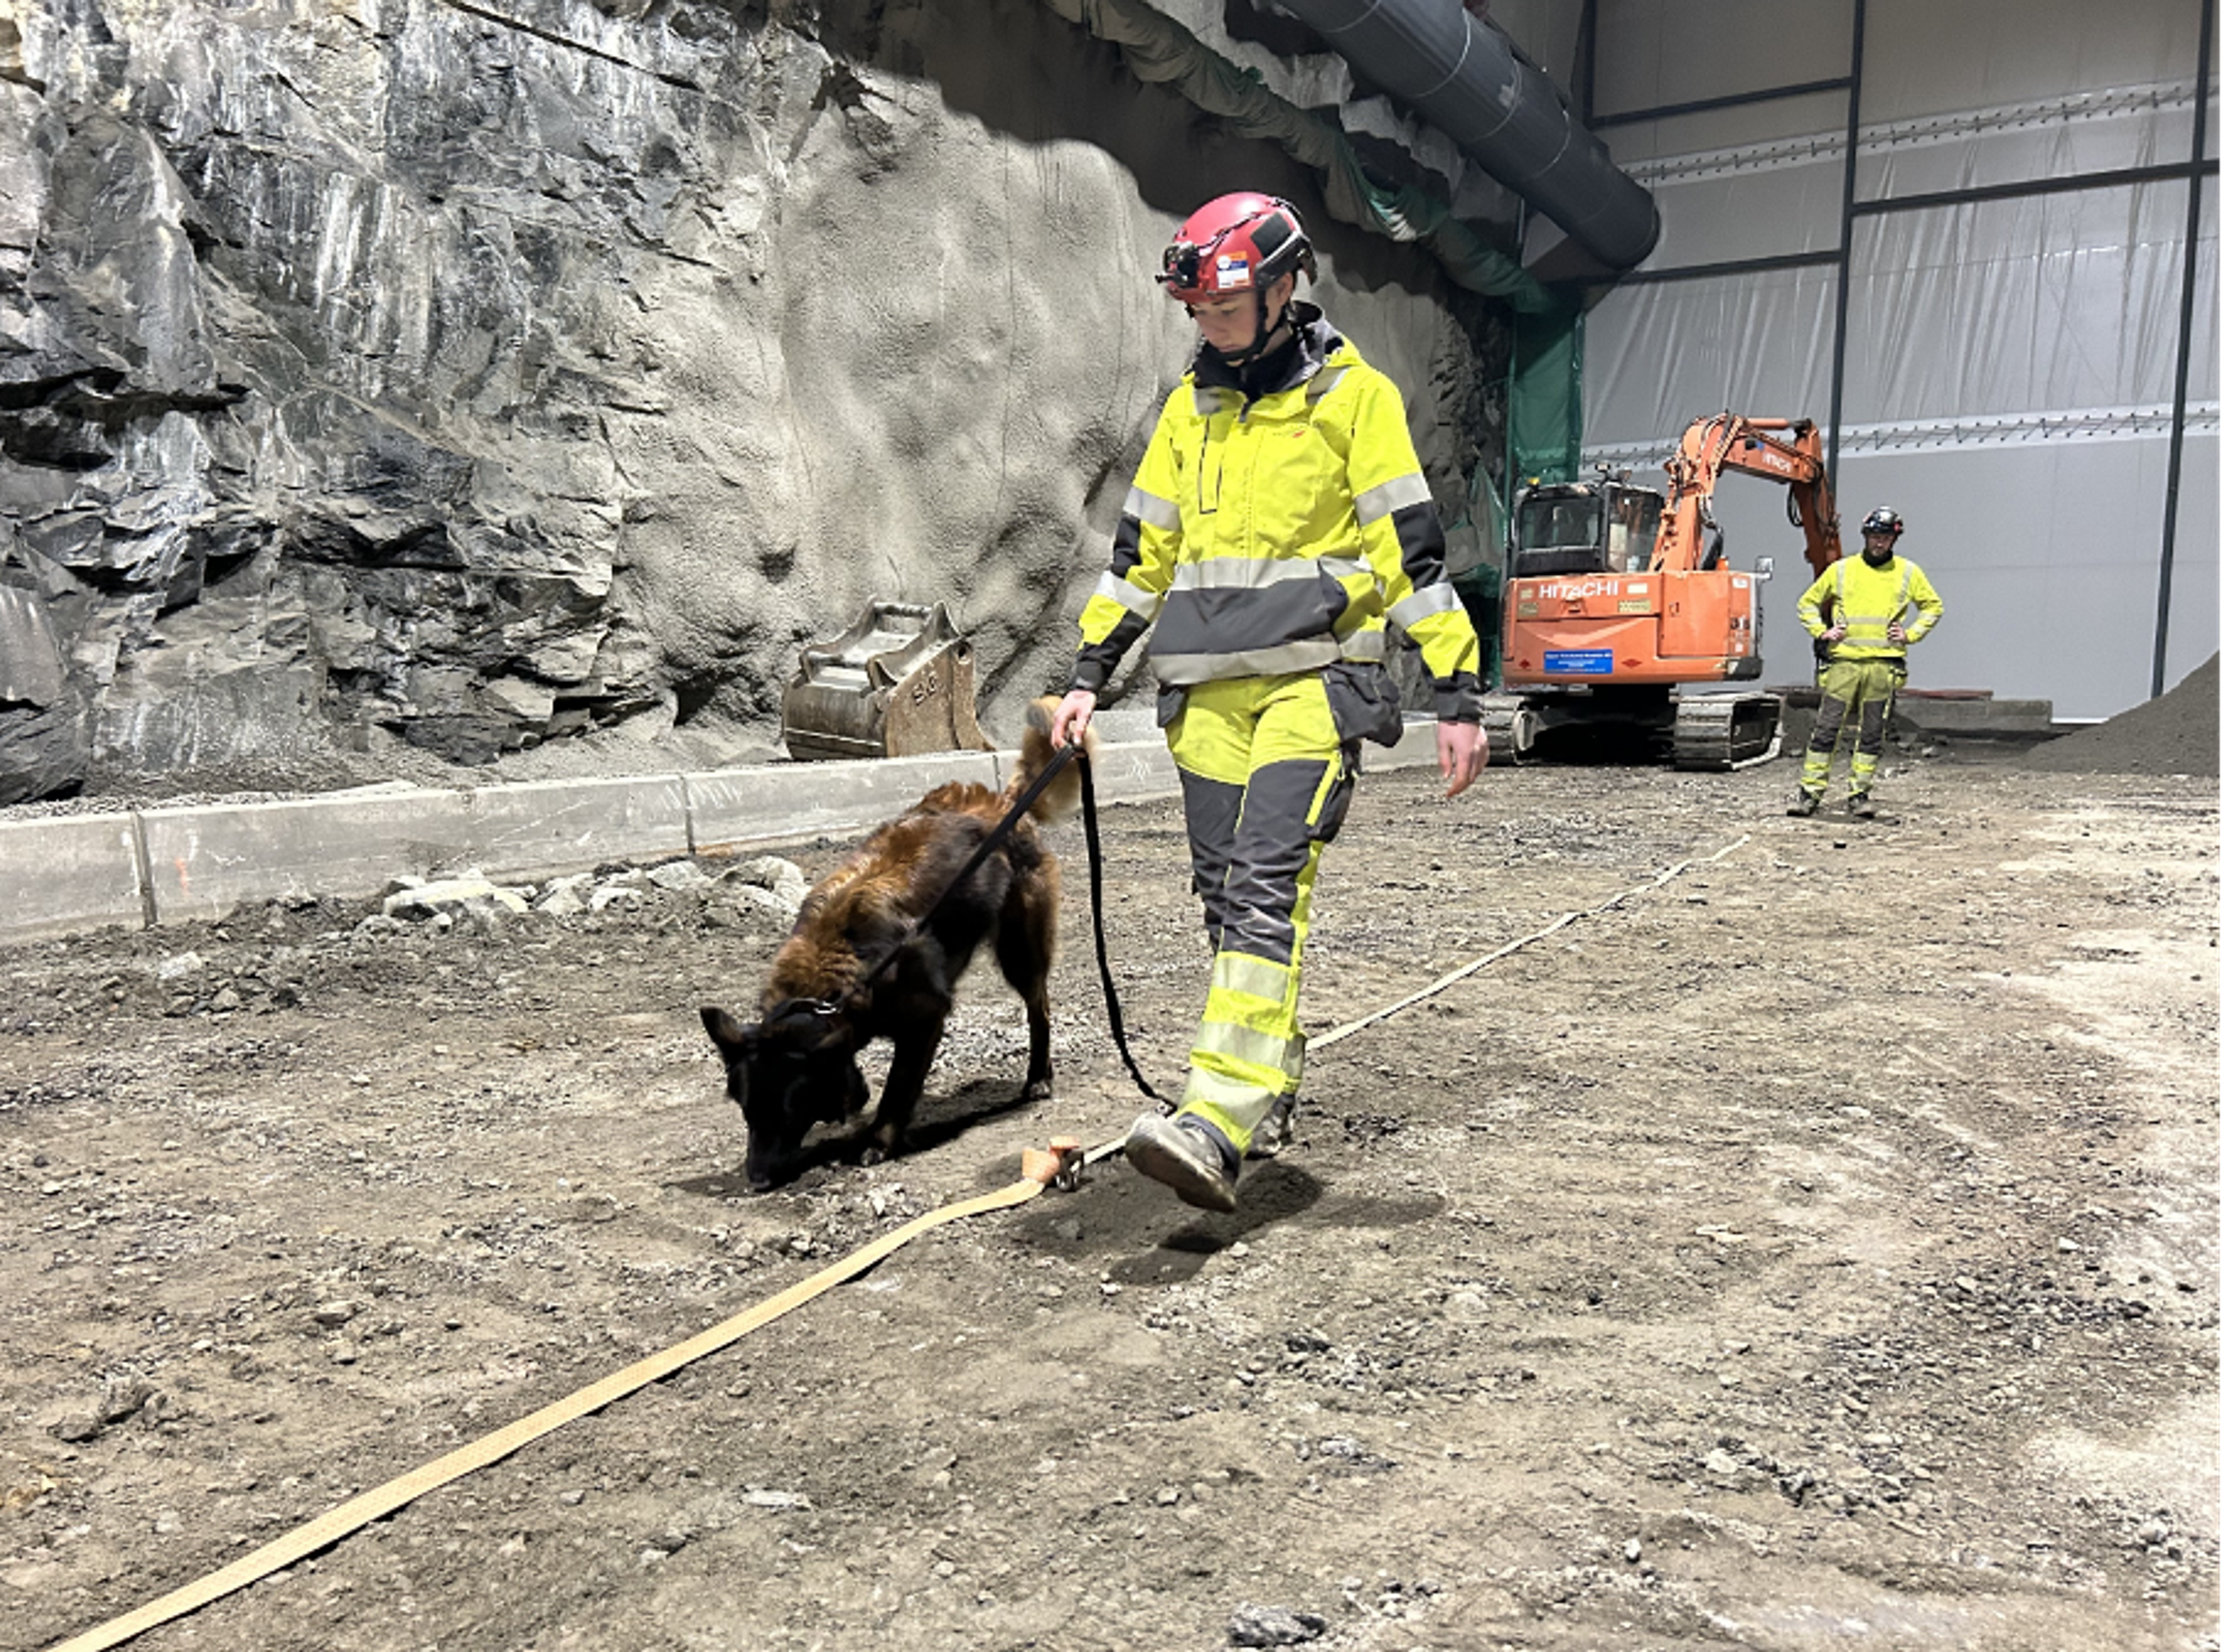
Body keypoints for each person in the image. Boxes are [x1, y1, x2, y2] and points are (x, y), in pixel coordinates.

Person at [1048, 191, 1488, 1213]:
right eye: (1198, 313)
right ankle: (1271, 1072)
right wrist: (1085, 678)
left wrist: (1458, 691)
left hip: (1314, 686)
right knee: (1223, 899)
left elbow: (1409, 553)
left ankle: (1217, 1117)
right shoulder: (1188, 413)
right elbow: (1140, 556)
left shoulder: (1352, 399)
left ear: (1286, 291)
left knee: (1261, 889)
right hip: (1203, 696)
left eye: (1228, 310)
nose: (1210, 328)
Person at [1788, 505, 1944, 819]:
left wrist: (1910, 634)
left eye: (1885, 537)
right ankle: (1809, 794)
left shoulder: (1908, 573)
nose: (1879, 542)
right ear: (1866, 536)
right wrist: (1822, 632)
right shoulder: (1843, 570)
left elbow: (1933, 606)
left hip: (1882, 667)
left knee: (1872, 734)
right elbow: (1807, 602)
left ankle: (1859, 795)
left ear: (1894, 539)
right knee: (1826, 730)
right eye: (1875, 536)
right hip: (1844, 664)